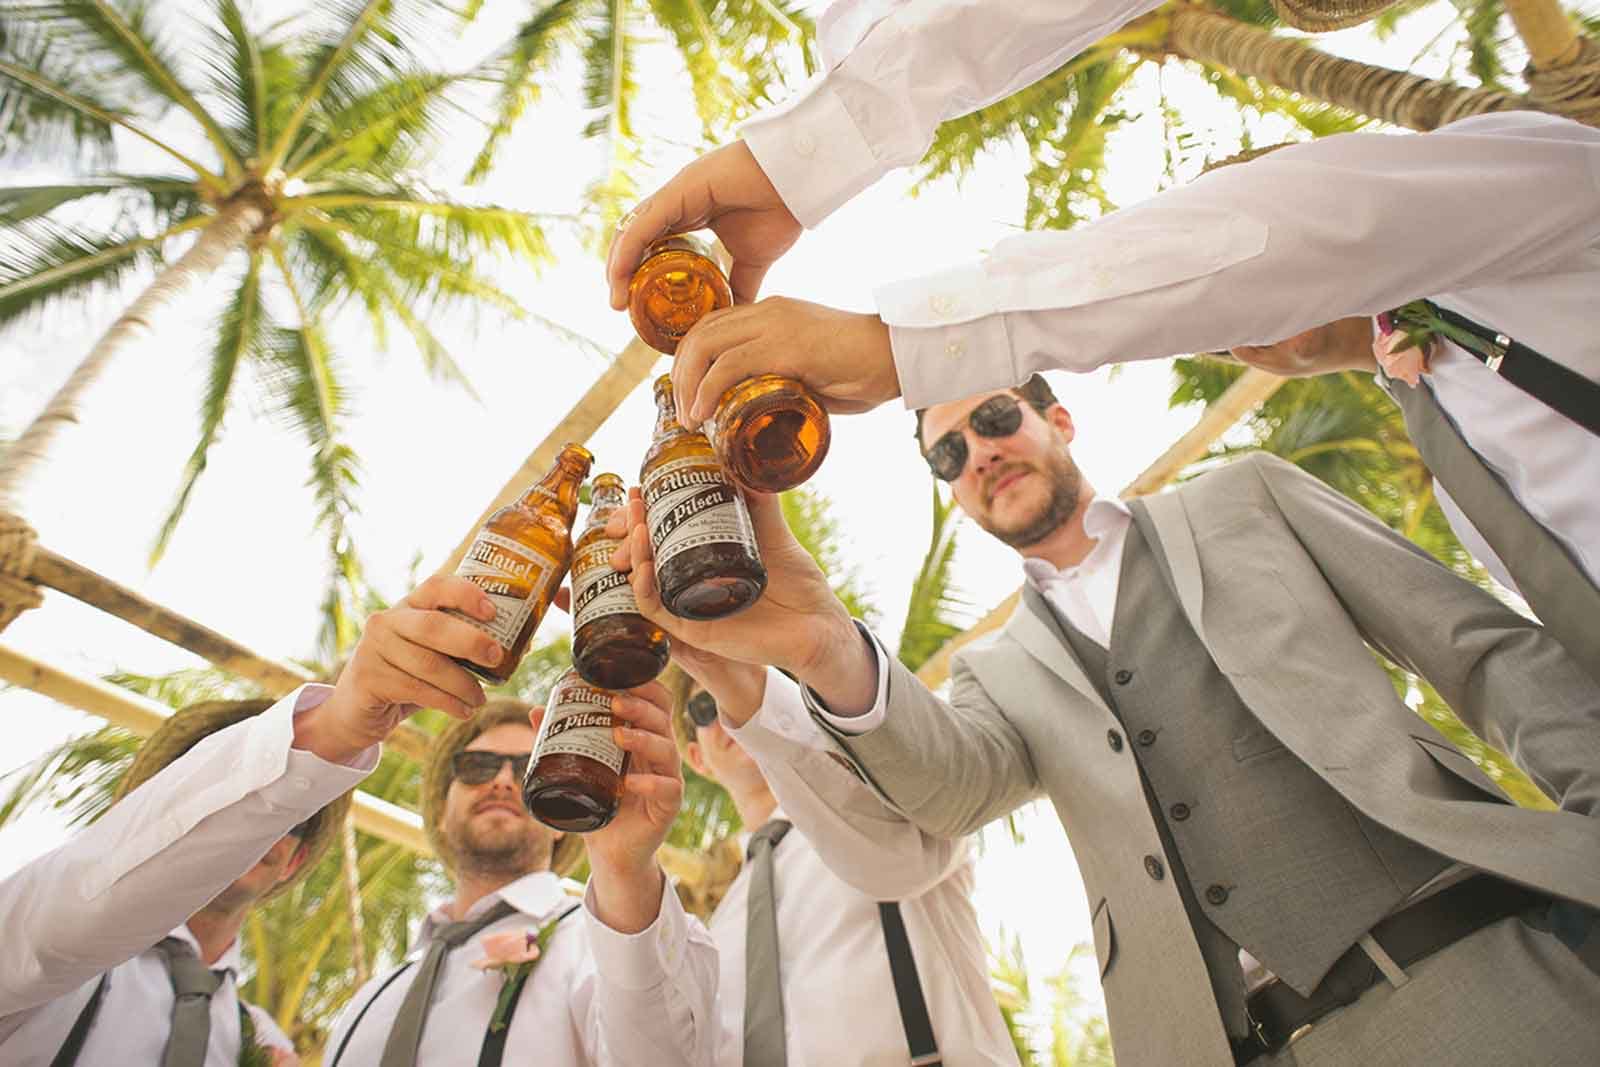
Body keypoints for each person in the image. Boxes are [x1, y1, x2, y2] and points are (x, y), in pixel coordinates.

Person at [604, 376, 1600, 1066]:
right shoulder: (997, 668)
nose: (980, 452)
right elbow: (947, 790)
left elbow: (1477, 650)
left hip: (1475, 974)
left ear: (1058, 417)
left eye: (994, 417)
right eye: (951, 451)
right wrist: (819, 641)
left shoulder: (1243, 497)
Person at [604, 0, 1600, 677]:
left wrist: (902, 342)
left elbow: (1307, 225)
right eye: (1215, 328)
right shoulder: (1442, 403)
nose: (1234, 329)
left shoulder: (1541, 187)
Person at [0, 570, 513, 1064]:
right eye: (237, 802)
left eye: (290, 820)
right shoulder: (42, 956)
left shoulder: (259, 1037)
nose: (256, 828)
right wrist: (329, 730)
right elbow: (80, 899)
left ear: (296, 861)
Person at [321, 682, 716, 1066]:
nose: (502, 780)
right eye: (478, 766)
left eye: (529, 770)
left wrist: (626, 873)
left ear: (560, 822)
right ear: (441, 811)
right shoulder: (368, 1002)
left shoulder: (608, 944)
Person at [661, 656, 1017, 1066]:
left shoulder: (891, 809)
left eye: (746, 680)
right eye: (706, 708)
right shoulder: (720, 924)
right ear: (697, 758)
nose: (726, 703)